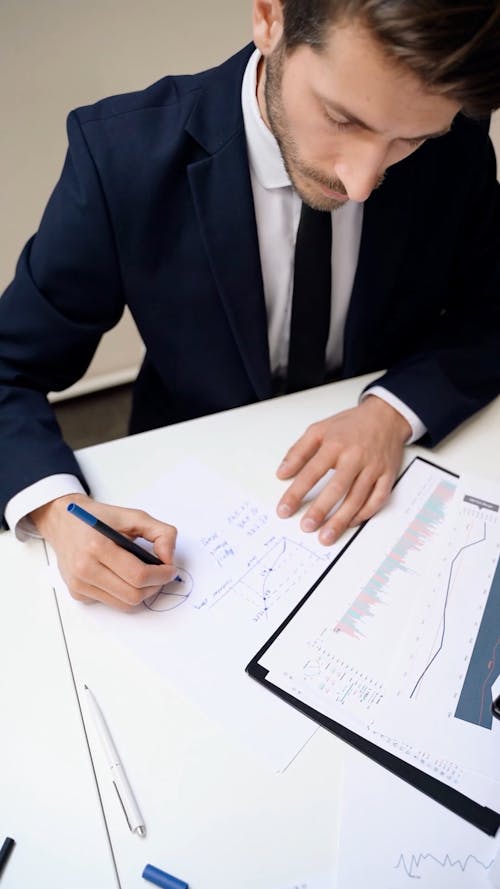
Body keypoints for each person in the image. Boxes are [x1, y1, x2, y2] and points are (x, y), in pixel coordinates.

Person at [0, 0, 499, 611]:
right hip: (182, 493)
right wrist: (54, 508)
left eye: (412, 139)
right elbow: (8, 367)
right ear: (269, 17)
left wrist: (392, 412)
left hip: (385, 495)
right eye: (342, 119)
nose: (363, 182)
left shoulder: (461, 149)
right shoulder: (121, 158)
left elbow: (490, 313)